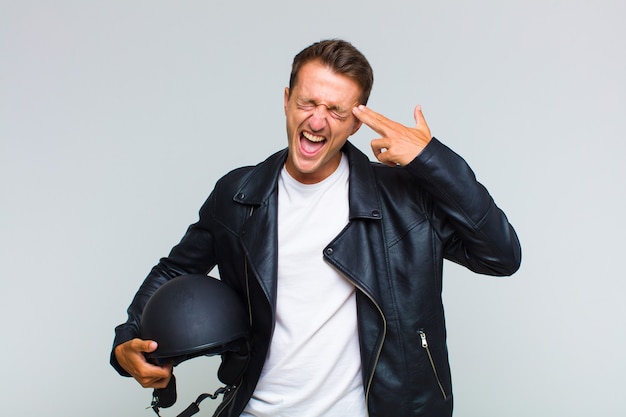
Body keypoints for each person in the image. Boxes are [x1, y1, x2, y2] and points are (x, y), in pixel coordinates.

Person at [111, 39, 521, 417]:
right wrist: (127, 340)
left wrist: (432, 161)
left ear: (355, 124)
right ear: (287, 101)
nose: (318, 122)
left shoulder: (404, 197)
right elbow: (175, 271)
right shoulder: (238, 194)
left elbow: (501, 255)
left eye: (337, 110)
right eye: (308, 102)